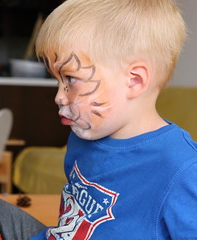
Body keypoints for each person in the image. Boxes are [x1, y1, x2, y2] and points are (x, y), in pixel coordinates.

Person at [30, 0, 197, 239]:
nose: (58, 97)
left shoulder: (183, 169)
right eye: (57, 80)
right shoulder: (82, 137)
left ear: (134, 81)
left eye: (71, 79)